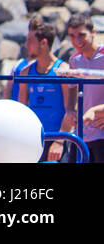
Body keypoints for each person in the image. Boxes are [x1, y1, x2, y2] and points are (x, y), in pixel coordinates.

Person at [16, 18, 76, 162]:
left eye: (30, 41)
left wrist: (59, 141)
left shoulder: (63, 71)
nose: (26, 45)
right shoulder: (26, 72)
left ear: (43, 43)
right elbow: (21, 110)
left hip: (57, 140)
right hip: (32, 140)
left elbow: (71, 109)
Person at [66, 13, 104, 162]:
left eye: (81, 35)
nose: (77, 41)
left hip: (101, 133)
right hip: (82, 134)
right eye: (72, 36)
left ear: (93, 33)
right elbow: (71, 88)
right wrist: (70, 110)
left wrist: (95, 111)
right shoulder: (74, 60)